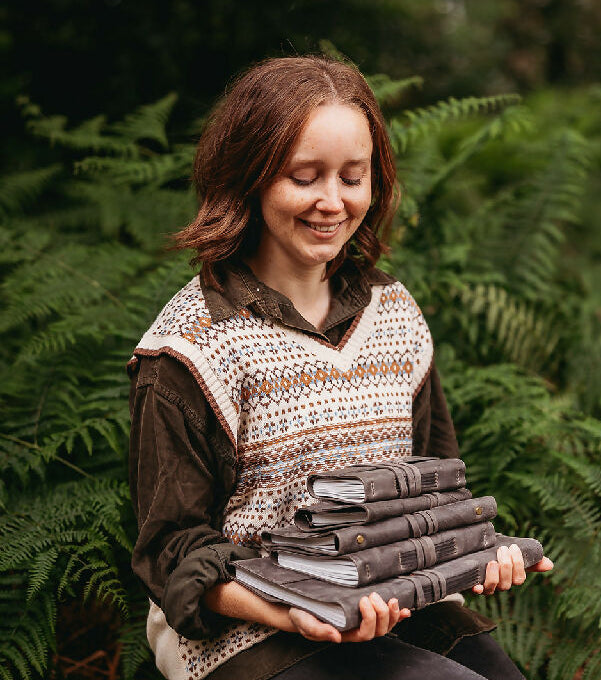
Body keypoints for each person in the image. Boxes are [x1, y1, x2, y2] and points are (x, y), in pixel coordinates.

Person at [128, 55, 553, 680]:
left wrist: (478, 554)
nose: (332, 201)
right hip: (244, 634)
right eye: (305, 177)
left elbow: (435, 490)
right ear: (249, 177)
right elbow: (173, 555)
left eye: (352, 177)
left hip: (395, 601)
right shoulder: (191, 350)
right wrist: (294, 609)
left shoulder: (395, 314)